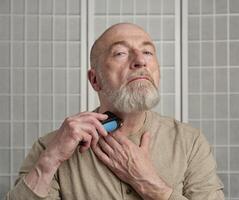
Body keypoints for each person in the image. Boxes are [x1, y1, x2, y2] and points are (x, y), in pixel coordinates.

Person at [6, 23, 224, 200]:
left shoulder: (190, 143)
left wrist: (151, 185)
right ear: (95, 80)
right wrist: (49, 161)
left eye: (147, 52)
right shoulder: (50, 147)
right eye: (120, 53)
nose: (140, 61)